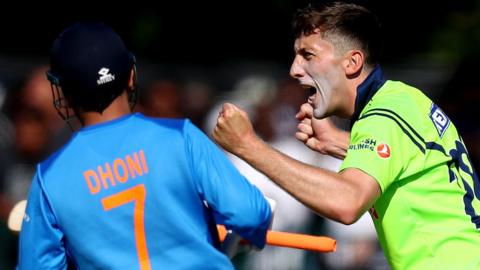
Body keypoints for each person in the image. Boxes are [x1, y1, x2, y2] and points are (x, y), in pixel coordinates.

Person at [213, 2, 480, 269]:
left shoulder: (383, 115)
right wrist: (337, 142)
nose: (294, 69)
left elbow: (346, 202)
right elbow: (408, 162)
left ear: (352, 62)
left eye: (308, 56)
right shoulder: (403, 98)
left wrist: (247, 145)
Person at [17, 22, 272, 269]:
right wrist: (243, 235)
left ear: (65, 92)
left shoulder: (50, 178)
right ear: (130, 76)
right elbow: (250, 213)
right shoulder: (179, 138)